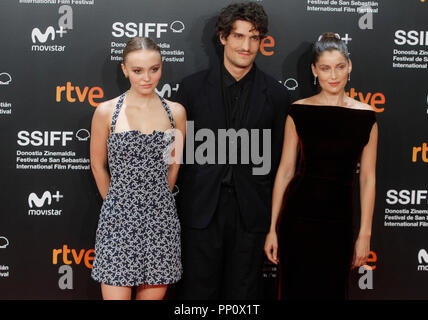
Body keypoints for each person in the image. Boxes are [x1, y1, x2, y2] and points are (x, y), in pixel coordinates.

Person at [173, 2, 289, 299]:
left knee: (244, 295)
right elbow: (176, 157)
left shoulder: (276, 95)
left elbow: (278, 161)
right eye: (238, 36)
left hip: (251, 214)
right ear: (223, 37)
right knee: (197, 295)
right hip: (201, 211)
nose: (246, 46)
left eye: (254, 37)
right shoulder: (191, 89)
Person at [264, 32, 378, 299]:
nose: (334, 75)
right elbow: (285, 171)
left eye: (340, 67)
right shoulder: (299, 111)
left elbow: (368, 179)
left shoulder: (366, 117)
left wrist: (365, 234)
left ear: (350, 66)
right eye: (325, 68)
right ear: (315, 70)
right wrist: (273, 228)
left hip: (339, 221)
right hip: (298, 218)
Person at [89, 37, 186, 300]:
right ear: (124, 70)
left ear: (161, 67)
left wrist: (158, 199)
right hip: (117, 222)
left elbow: (174, 164)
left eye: (154, 69)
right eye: (137, 71)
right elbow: (98, 165)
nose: (147, 78)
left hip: (160, 222)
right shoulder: (106, 111)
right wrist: (116, 203)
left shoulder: (175, 112)